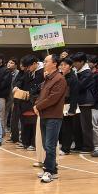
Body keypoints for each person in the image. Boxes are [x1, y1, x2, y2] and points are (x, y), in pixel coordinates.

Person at [34, 54, 68, 184]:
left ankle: (49, 171)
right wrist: (36, 104)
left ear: (54, 63)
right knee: (46, 144)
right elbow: (42, 95)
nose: (44, 63)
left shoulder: (59, 79)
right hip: (44, 115)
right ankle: (53, 169)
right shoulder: (48, 78)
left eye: (46, 61)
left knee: (50, 145)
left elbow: (53, 98)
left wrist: (38, 106)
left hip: (53, 116)